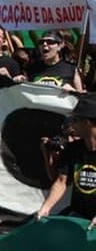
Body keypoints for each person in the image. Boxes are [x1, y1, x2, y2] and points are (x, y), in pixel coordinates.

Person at [37, 94, 96, 228]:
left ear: (86, 123)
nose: (72, 125)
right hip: (79, 214)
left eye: (75, 120)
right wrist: (46, 207)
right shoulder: (74, 149)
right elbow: (61, 181)